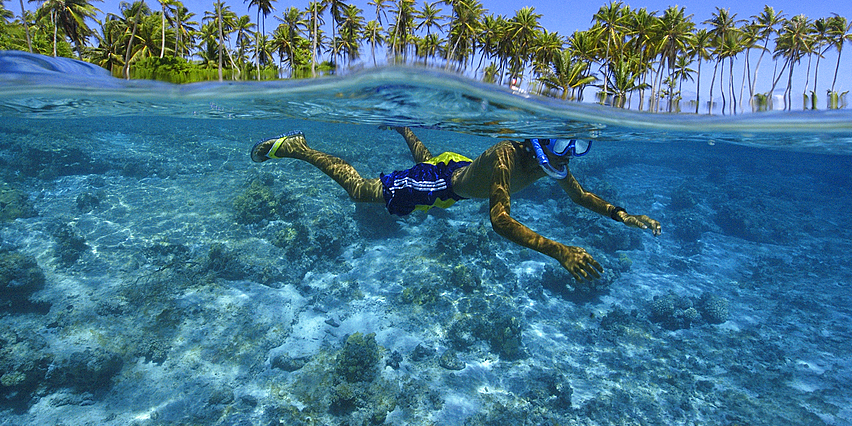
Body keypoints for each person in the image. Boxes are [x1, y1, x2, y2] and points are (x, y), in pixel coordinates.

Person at [250, 127, 661, 281]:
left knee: (431, 159)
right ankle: (299, 148)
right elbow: (499, 219)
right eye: (562, 142)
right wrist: (558, 251)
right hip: (437, 187)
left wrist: (622, 215)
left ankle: (403, 124)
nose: (568, 152)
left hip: (457, 171)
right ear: (538, 138)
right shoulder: (506, 154)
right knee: (361, 191)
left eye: (579, 145)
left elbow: (580, 195)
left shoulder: (549, 163)